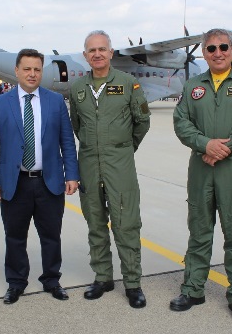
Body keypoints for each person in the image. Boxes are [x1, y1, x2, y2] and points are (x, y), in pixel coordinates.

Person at [171, 28, 232, 322]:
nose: (218, 53)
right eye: (211, 49)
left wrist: (223, 148)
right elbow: (181, 121)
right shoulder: (192, 86)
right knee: (199, 232)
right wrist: (205, 145)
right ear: (204, 53)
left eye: (223, 47)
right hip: (201, 170)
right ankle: (193, 288)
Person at [0, 48, 79, 304]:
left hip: (49, 182)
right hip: (15, 182)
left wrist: (72, 174)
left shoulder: (55, 101)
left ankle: (51, 279)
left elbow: (67, 141)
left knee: (51, 235)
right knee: (15, 236)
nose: (32, 74)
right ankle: (16, 282)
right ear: (17, 71)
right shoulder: (0, 104)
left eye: (37, 69)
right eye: (27, 69)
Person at [69, 30, 151, 309]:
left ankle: (132, 283)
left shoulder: (129, 84)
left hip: (120, 164)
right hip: (89, 163)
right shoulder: (77, 89)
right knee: (95, 223)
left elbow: (142, 122)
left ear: (111, 53)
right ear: (85, 55)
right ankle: (103, 277)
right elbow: (77, 125)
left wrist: (124, 149)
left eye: (102, 49)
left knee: (126, 223)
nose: (97, 54)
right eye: (92, 50)